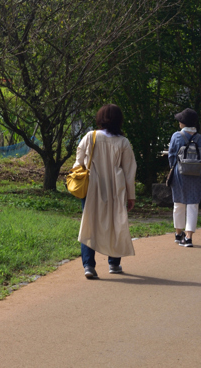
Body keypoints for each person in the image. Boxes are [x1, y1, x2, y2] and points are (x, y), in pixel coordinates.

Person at [74, 104, 137, 279]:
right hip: (116, 188)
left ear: (100, 118)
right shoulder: (123, 142)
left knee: (89, 223)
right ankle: (114, 263)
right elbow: (129, 170)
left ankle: (88, 266)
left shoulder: (90, 136)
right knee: (116, 222)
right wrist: (131, 195)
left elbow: (78, 162)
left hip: (91, 187)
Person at [168, 108, 201, 248]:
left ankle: (178, 234)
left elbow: (171, 156)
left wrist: (175, 167)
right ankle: (188, 237)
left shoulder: (177, 136)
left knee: (178, 203)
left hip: (180, 173)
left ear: (183, 123)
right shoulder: (200, 138)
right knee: (193, 204)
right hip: (196, 174)